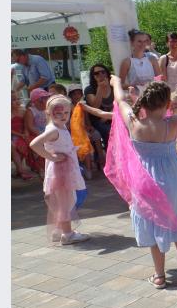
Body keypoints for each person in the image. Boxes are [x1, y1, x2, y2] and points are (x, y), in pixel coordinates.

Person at [110, 75, 177, 288]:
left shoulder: (133, 121)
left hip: (143, 180)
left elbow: (120, 100)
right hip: (171, 179)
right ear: (168, 104)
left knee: (151, 220)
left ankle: (159, 274)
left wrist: (116, 83)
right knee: (176, 217)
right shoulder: (173, 122)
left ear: (144, 102)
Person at [28, 95, 90, 245]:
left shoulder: (59, 127)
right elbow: (34, 144)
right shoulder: (53, 130)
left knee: (64, 201)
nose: (63, 117)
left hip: (64, 169)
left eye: (66, 113)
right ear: (49, 113)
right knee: (65, 202)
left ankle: (58, 230)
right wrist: (52, 157)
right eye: (58, 113)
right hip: (61, 172)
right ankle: (67, 234)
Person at [84, 64, 114, 148]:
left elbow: (119, 103)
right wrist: (100, 87)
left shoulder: (113, 86)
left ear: (107, 73)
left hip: (112, 117)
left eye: (103, 72)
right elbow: (95, 106)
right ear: (93, 76)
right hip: (97, 120)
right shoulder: (89, 89)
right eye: (96, 73)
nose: (100, 75)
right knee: (109, 132)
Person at [11, 92, 36, 180]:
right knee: (13, 145)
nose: (17, 101)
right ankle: (21, 170)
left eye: (18, 99)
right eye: (13, 100)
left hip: (23, 133)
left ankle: (21, 169)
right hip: (13, 135)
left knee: (26, 142)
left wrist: (25, 133)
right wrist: (20, 135)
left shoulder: (23, 110)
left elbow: (26, 124)